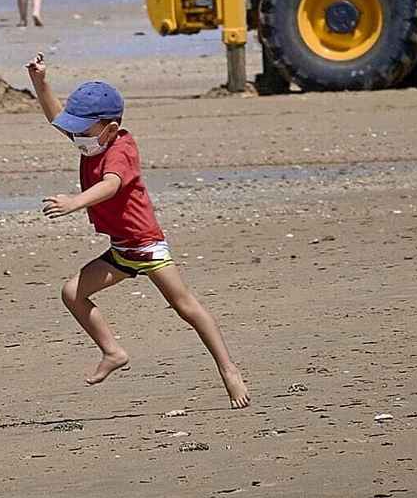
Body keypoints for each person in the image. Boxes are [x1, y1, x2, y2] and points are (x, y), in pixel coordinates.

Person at [24, 52, 250, 408]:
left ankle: (228, 369)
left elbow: (111, 185)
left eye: (82, 130)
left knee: (185, 306)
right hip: (121, 250)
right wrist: (41, 81)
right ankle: (112, 351)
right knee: (72, 294)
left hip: (146, 246)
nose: (75, 136)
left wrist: (75, 202)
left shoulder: (120, 149)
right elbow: (56, 116)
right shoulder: (92, 140)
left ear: (109, 128)